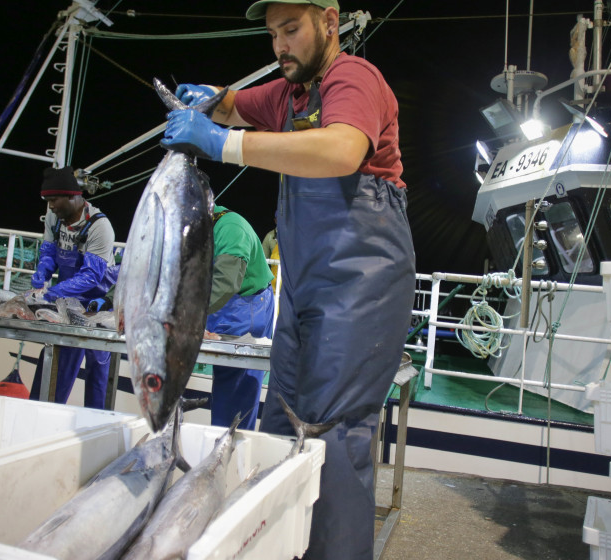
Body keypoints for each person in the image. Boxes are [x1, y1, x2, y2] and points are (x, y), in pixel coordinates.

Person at [161, 1, 415, 558]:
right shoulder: (286, 94)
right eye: (273, 34)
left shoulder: (354, 78)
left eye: (292, 29)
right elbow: (231, 105)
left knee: (336, 430)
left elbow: (343, 149)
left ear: (329, 21)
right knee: (283, 419)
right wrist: (209, 100)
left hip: (362, 283)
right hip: (303, 288)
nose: (280, 46)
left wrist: (224, 144)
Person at [27, 165, 116, 409]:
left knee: (97, 362)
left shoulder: (99, 226)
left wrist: (54, 292)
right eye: (47, 200)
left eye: (54, 200)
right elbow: (48, 251)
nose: (50, 206)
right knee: (59, 353)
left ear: (72, 196)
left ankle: (95, 419)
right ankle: (42, 409)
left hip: (96, 300)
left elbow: (91, 276)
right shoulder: (55, 217)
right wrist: (43, 272)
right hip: (66, 295)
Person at [205, 205, 275, 430]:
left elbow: (225, 282)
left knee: (236, 387)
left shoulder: (231, 227)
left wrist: (186, 317)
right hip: (219, 304)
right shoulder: (195, 230)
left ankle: (229, 455)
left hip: (246, 306)